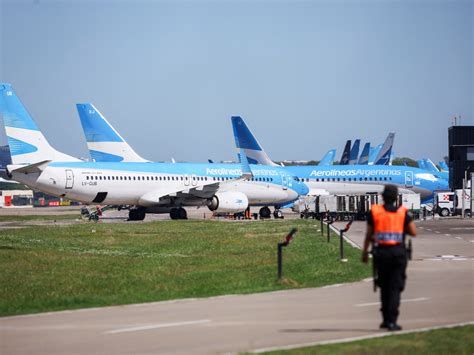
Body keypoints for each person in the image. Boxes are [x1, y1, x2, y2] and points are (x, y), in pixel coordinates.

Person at [361, 184, 417, 331]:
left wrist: (364, 253)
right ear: (396, 197)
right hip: (398, 254)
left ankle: (385, 319)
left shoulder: (375, 212)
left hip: (381, 254)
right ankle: (392, 320)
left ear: (382, 197)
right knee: (395, 287)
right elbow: (413, 232)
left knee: (384, 287)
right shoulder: (403, 212)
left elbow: (368, 235)